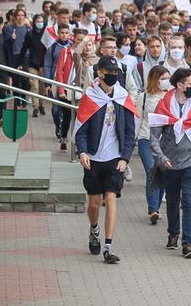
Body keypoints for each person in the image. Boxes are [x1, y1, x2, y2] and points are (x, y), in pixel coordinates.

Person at [148, 68, 191, 259]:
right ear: (180, 85)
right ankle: (173, 232)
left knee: (188, 201)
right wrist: (161, 158)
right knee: (172, 200)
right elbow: (153, 137)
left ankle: (188, 243)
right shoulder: (164, 106)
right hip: (170, 163)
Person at [74, 56, 137, 264]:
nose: (113, 76)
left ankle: (108, 247)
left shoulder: (122, 96)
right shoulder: (90, 97)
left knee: (110, 197)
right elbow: (81, 129)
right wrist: (82, 152)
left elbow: (129, 131)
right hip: (93, 157)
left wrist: (125, 158)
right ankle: (94, 229)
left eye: (116, 72)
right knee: (94, 203)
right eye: (109, 72)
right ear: (99, 73)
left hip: (114, 158)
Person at [136, 65, 171, 224]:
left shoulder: (171, 97)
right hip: (146, 138)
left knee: (162, 173)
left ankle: (156, 207)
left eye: (168, 78)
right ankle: (153, 209)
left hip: (165, 142)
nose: (166, 81)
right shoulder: (143, 97)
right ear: (154, 79)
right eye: (163, 78)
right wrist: (132, 141)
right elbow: (137, 119)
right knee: (151, 170)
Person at [55, 29, 88, 151]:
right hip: (67, 88)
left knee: (78, 117)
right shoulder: (65, 52)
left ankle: (77, 144)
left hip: (80, 90)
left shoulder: (85, 54)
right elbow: (59, 71)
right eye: (79, 39)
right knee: (67, 116)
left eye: (83, 41)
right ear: (73, 38)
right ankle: (63, 137)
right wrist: (61, 90)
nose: (80, 43)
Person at [44, 23, 72, 139]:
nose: (64, 35)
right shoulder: (53, 47)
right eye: (62, 33)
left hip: (68, 83)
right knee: (56, 109)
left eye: (66, 33)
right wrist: (47, 83)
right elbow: (47, 66)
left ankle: (63, 130)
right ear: (58, 33)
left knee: (66, 111)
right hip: (56, 82)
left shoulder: (71, 48)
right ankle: (58, 126)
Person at [18, 14, 48, 117]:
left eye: (41, 21)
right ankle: (35, 107)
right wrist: (19, 62)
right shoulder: (30, 34)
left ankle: (41, 105)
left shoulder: (46, 34)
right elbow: (24, 48)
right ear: (34, 23)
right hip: (32, 64)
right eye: (38, 21)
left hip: (43, 65)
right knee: (34, 86)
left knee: (42, 88)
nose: (40, 23)